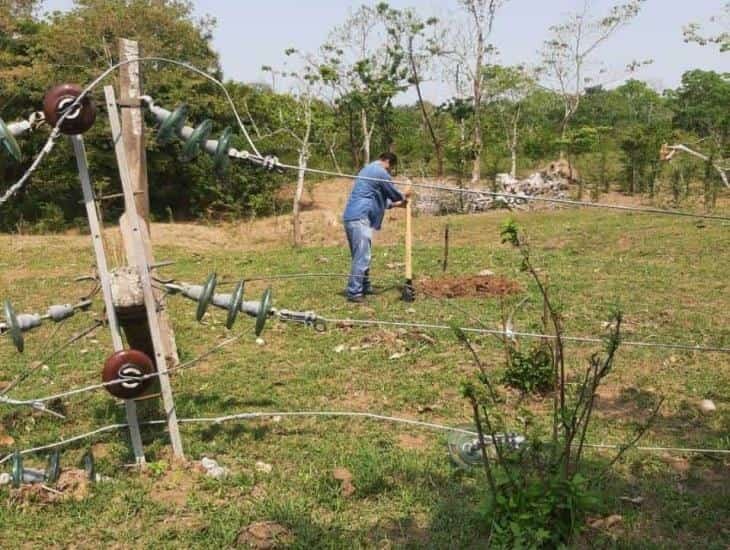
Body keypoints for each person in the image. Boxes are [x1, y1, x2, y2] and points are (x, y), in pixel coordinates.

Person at [342, 152, 409, 302]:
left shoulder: (368, 171)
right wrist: (405, 197)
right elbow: (393, 193)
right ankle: (354, 293)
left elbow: (378, 199)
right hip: (359, 217)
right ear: (388, 162)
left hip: (353, 217)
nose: (390, 172)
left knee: (360, 255)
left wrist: (398, 204)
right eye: (391, 168)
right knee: (362, 256)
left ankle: (364, 286)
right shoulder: (379, 171)